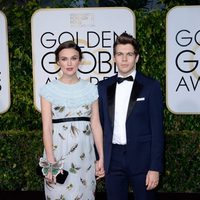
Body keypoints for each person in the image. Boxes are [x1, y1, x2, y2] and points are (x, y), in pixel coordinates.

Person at [98, 32, 164, 200]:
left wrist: (155, 168)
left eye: (129, 54)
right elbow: (100, 126)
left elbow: (157, 130)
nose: (124, 59)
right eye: (120, 54)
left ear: (137, 57)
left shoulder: (151, 86)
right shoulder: (103, 87)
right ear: (114, 58)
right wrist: (100, 158)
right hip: (113, 160)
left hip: (143, 160)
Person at [39, 40, 104, 200]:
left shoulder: (91, 89)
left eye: (74, 58)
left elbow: (96, 125)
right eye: (64, 58)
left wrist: (101, 157)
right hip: (57, 156)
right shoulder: (48, 90)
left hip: (85, 157)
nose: (69, 63)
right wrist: (51, 162)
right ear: (58, 62)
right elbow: (47, 128)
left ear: (79, 61)